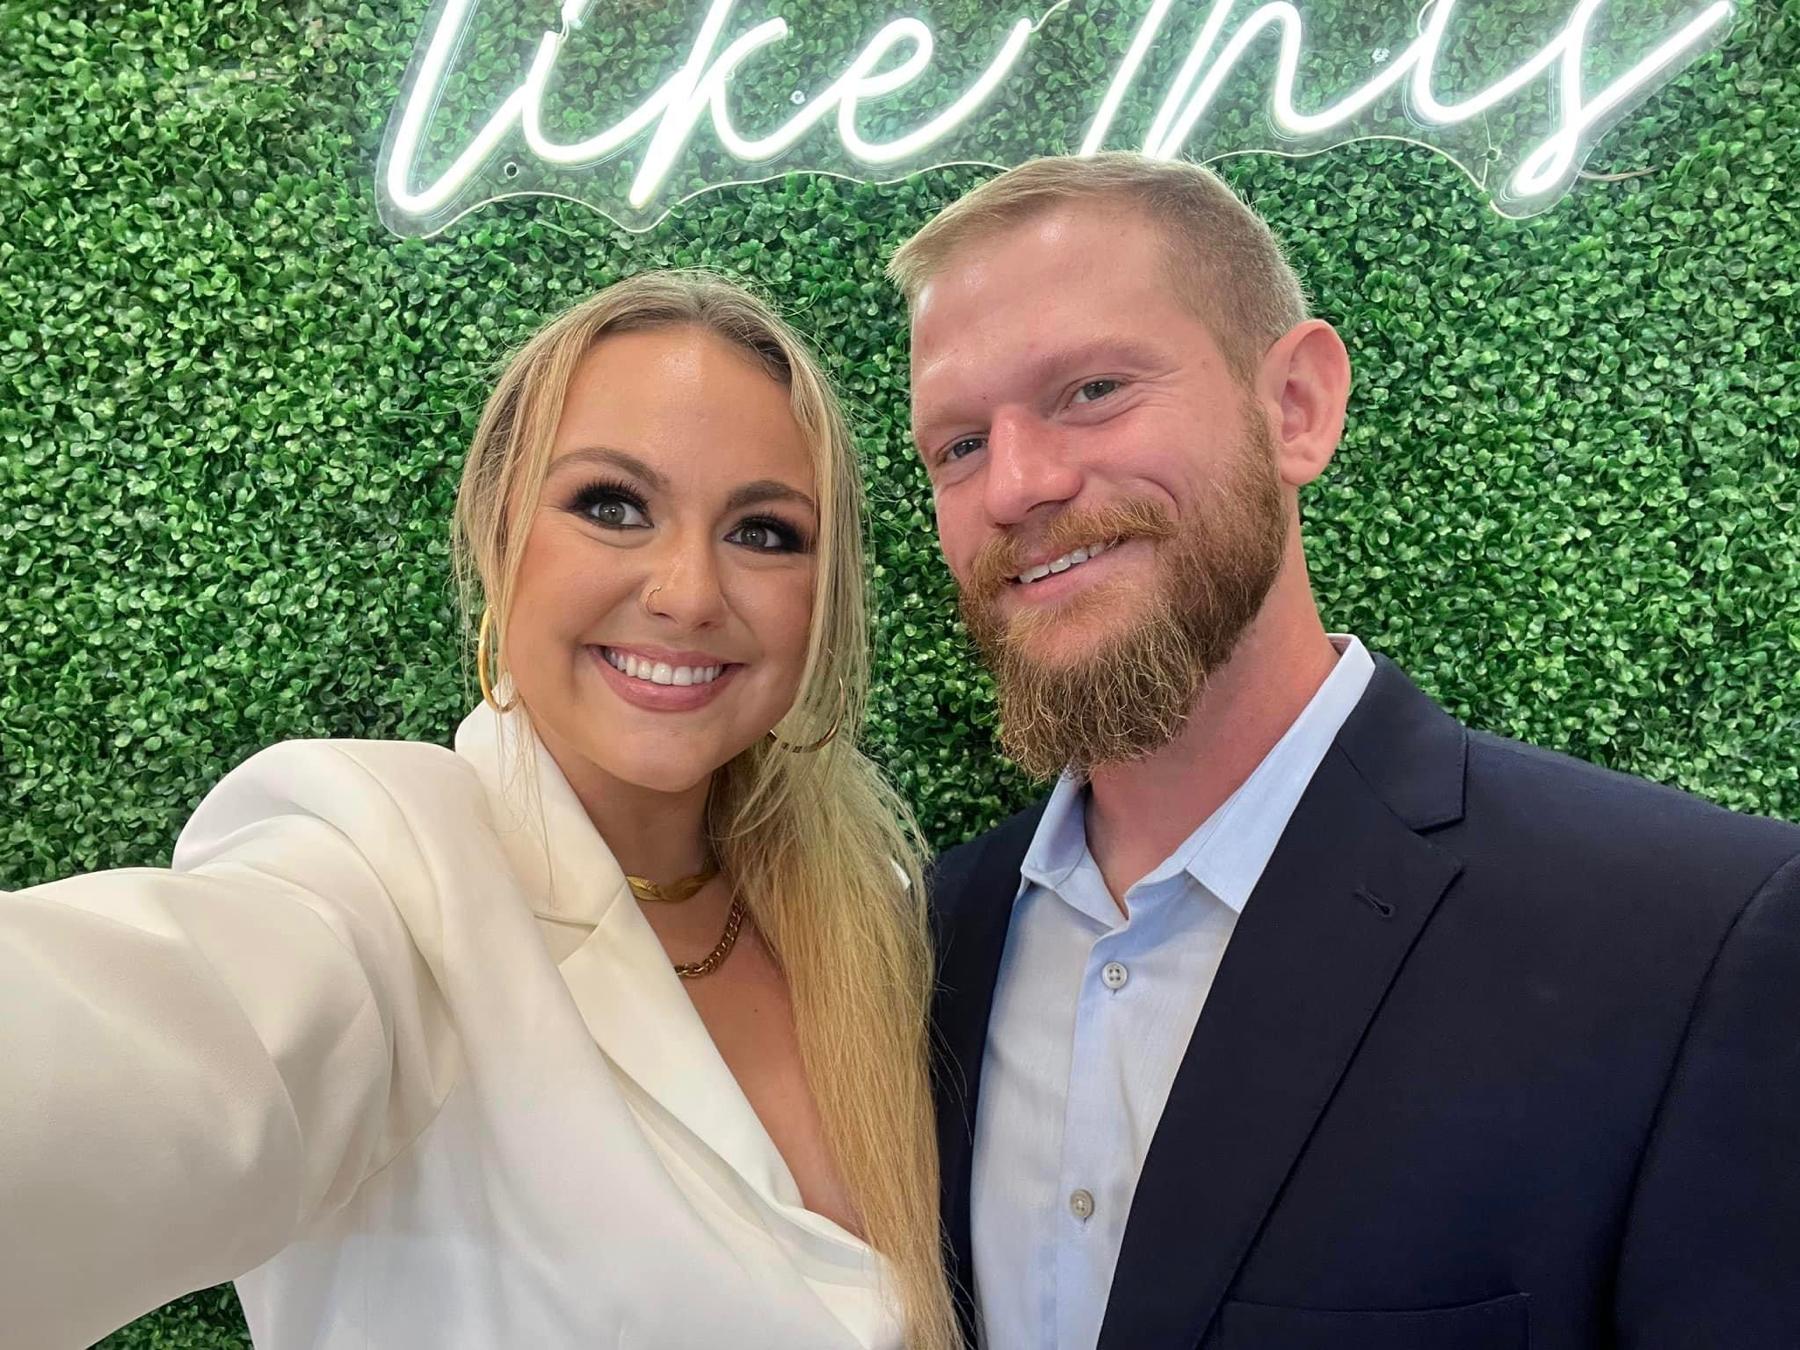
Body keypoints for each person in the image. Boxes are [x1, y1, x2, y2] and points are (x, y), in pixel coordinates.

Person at [890, 154, 1800, 1350]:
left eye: (1093, 389)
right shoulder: (919, 950)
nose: (1016, 484)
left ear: (1297, 407)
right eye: (958, 446)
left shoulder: (1692, 938)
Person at [0, 271, 957, 1350]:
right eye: (612, 507)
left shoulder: (874, 912)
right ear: (499, 531)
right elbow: (137, 1044)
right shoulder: (384, 867)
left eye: (766, 532)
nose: (689, 593)